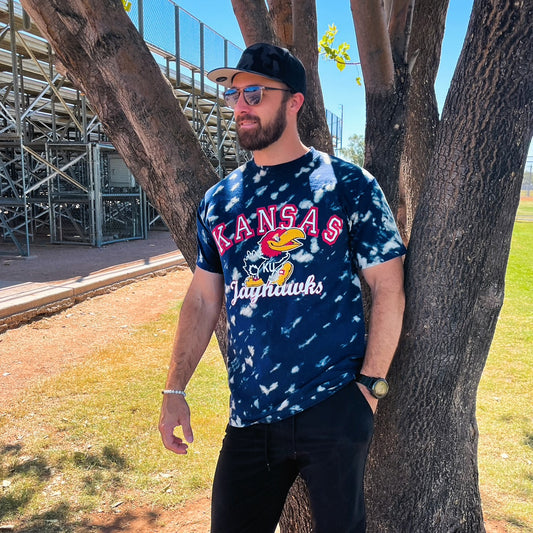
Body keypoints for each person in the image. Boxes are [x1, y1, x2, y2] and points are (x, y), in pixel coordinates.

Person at [159, 42, 406, 533]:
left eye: (255, 92)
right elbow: (204, 298)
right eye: (234, 95)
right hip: (251, 417)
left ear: (294, 102)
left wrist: (369, 389)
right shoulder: (219, 201)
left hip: (334, 405)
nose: (240, 105)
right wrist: (174, 388)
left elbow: (389, 288)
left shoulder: (347, 184)